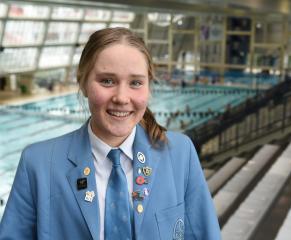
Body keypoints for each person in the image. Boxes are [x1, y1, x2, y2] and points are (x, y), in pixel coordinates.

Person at [0, 27, 221, 240]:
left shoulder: (180, 153)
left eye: (135, 82)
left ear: (148, 87)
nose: (122, 97)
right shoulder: (38, 164)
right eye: (107, 81)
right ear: (83, 82)